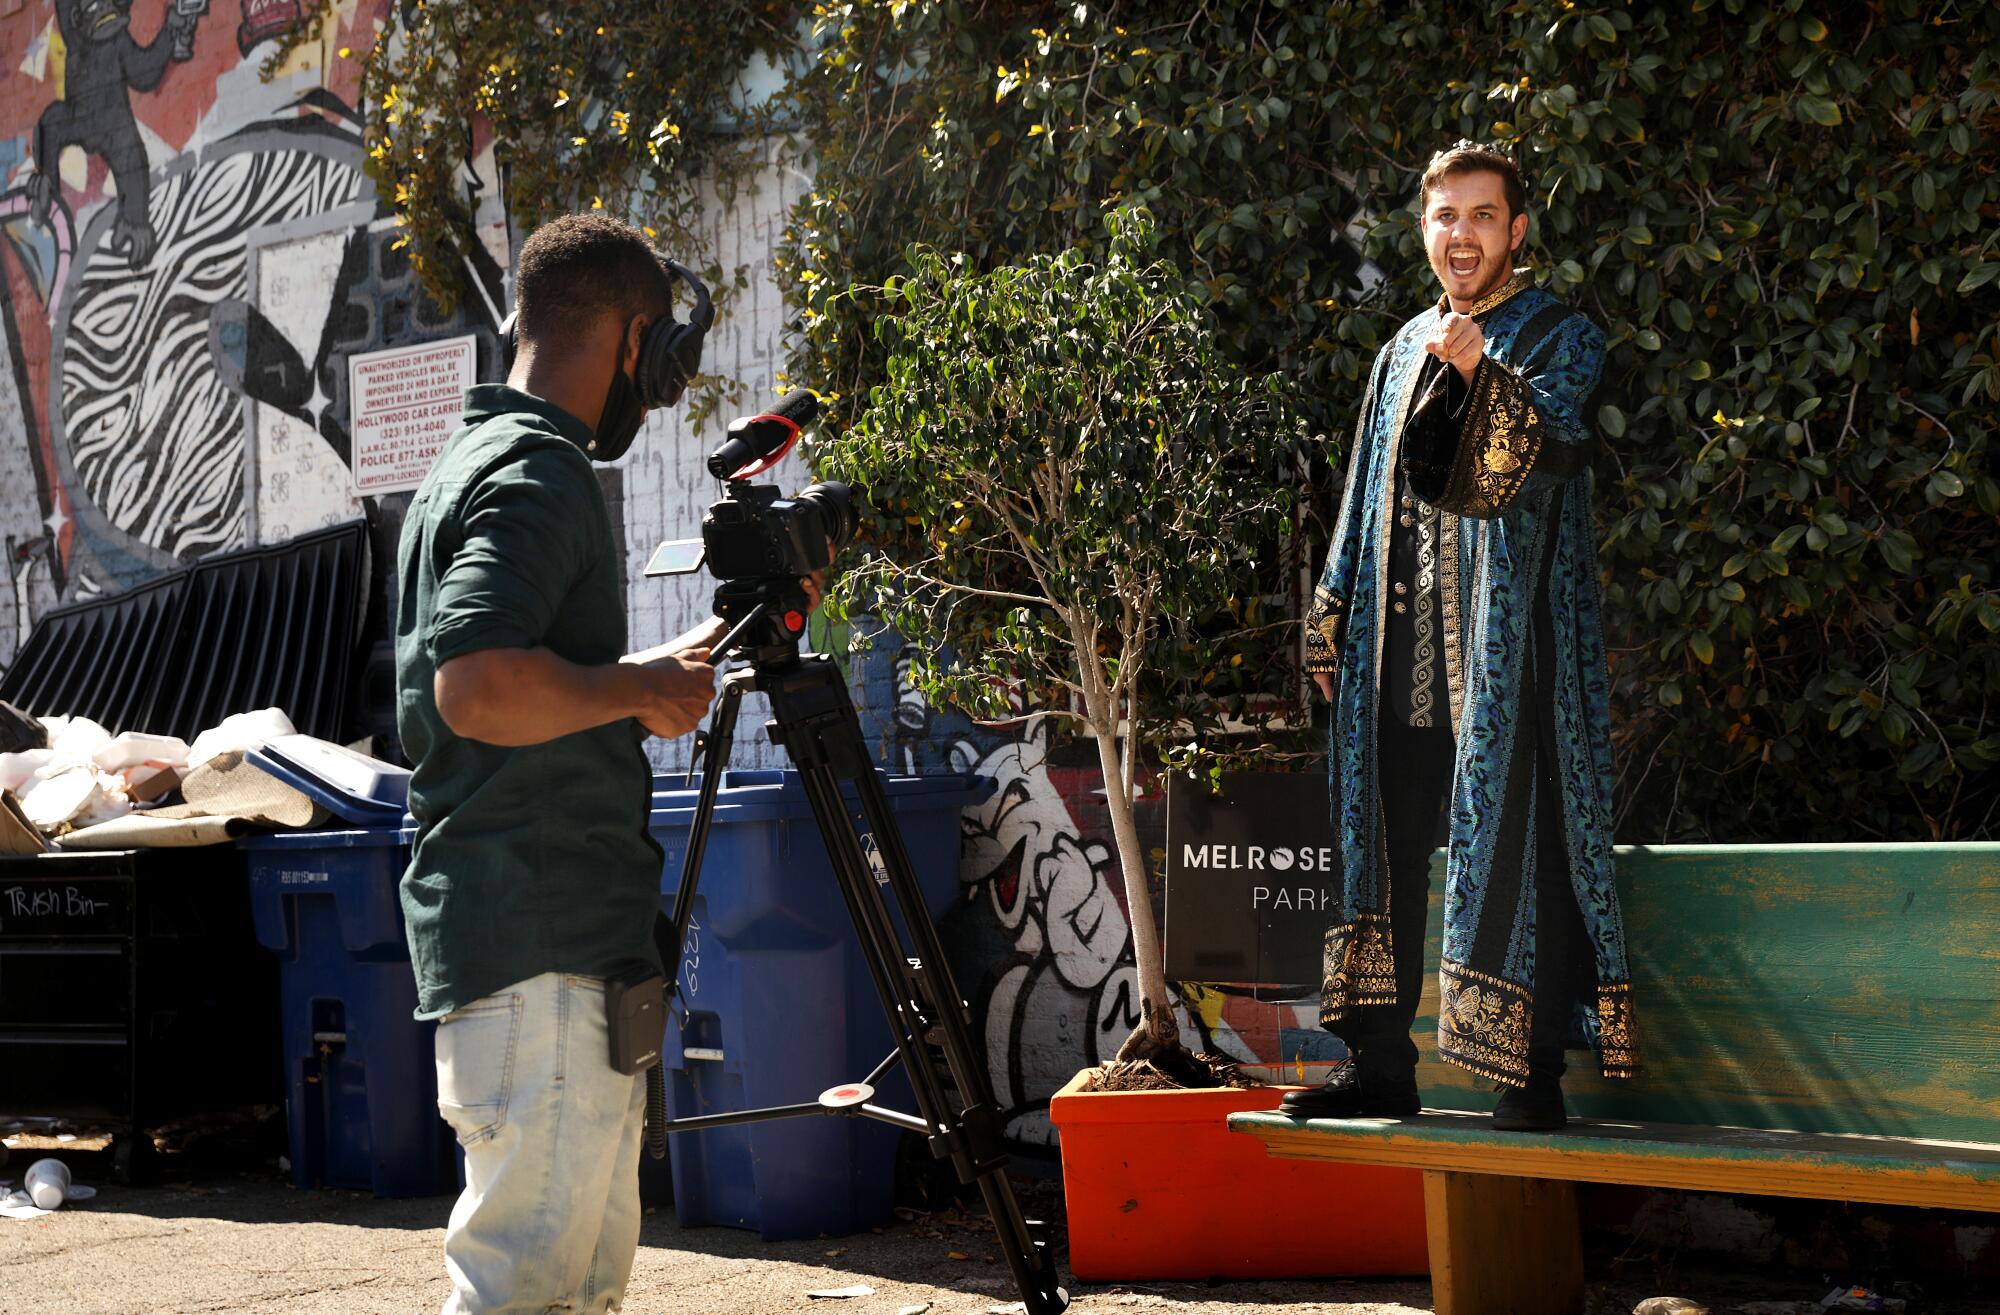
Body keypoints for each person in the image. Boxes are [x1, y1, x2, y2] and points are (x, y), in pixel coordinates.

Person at [397, 212, 733, 1313]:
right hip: (534, 954)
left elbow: (512, 689)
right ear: (633, 338)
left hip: (544, 948)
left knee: (570, 1294)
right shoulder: (540, 472)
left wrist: (640, 681)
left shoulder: (472, 463)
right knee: (523, 1295)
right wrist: (636, 688)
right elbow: (478, 687)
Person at [1283, 141, 1639, 1132]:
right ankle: (1375, 1066)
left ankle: (1527, 1081)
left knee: (1521, 850)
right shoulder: (1398, 351)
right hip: (1394, 666)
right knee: (1383, 852)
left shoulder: (1559, 339)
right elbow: (1360, 498)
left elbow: (1548, 454)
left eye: (1481, 216)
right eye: (1445, 217)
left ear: (1515, 231)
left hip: (1504, 662)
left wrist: (1487, 377)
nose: (1461, 235)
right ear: (1423, 231)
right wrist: (1328, 623)